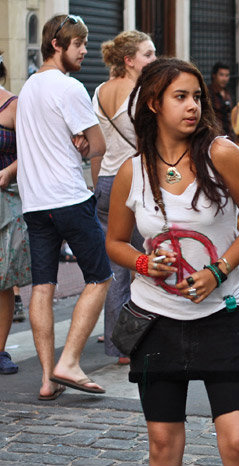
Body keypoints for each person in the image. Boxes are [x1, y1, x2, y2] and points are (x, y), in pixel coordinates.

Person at [105, 57, 239, 465]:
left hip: (224, 315)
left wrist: (218, 270)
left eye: (197, 97)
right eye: (181, 97)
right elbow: (115, 243)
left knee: (234, 441)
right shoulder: (132, 171)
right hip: (155, 320)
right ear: (155, 104)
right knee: (162, 443)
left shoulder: (223, 154)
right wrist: (145, 264)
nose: (193, 105)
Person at [16, 14, 111, 399]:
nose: (85, 50)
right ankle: (68, 361)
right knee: (100, 277)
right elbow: (99, 145)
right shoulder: (69, 88)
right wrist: (87, 145)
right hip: (68, 198)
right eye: (79, 44)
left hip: (35, 202)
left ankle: (46, 380)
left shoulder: (29, 89)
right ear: (57, 44)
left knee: (42, 286)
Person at [93, 30, 156, 365]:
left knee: (117, 268)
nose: (154, 60)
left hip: (105, 182)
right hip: (134, 184)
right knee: (145, 262)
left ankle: (120, 346)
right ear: (129, 60)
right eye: (148, 54)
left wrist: (97, 188)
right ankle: (141, 338)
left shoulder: (100, 91)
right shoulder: (140, 94)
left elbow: (95, 145)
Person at [0, 51, 32, 376]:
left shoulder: (13, 106)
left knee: (3, 280)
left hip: (6, 201)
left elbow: (30, 152)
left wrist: (8, 171)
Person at [209, 62, 233, 136]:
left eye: (227, 75)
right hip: (214, 135)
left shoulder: (227, 93)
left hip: (228, 134)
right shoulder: (208, 92)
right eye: (221, 75)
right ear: (214, 75)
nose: (224, 79)